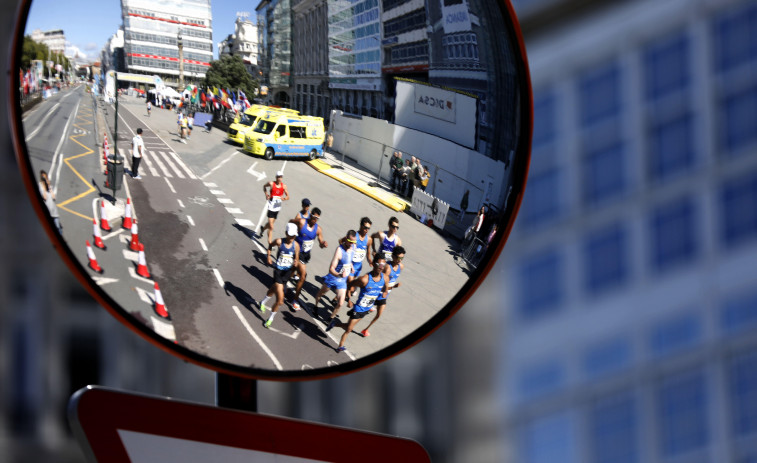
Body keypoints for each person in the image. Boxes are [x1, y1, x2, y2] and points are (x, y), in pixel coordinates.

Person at [326, 255, 389, 353]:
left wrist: (385, 292)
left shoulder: (385, 278)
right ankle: (340, 346)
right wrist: (349, 299)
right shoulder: (364, 279)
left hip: (367, 309)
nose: (381, 267)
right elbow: (349, 284)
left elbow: (386, 287)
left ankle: (334, 324)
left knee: (347, 326)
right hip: (358, 308)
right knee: (348, 330)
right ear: (373, 264)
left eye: (383, 265)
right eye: (379, 264)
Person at [259, 223, 301, 328]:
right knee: (280, 300)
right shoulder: (279, 242)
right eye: (290, 235)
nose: (292, 238)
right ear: (286, 233)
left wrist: (296, 262)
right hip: (278, 271)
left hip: (287, 274)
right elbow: (270, 245)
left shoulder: (296, 246)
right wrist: (268, 256)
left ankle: (262, 302)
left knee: (273, 289)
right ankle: (270, 319)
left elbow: (297, 258)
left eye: (294, 236)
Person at [358, 246, 405, 337]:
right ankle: (353, 319)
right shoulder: (388, 268)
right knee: (362, 312)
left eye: (402, 258)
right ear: (393, 256)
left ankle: (366, 329)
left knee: (379, 315)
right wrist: (394, 286)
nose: (400, 260)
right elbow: (383, 282)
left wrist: (391, 287)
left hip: (384, 295)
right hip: (377, 292)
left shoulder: (401, 267)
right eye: (398, 258)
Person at [290, 207, 328, 310]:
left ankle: (283, 281)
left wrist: (323, 244)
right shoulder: (302, 222)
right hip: (297, 252)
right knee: (303, 276)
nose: (315, 219)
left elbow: (320, 243)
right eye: (314, 217)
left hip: (306, 254)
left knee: (292, 271)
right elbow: (291, 222)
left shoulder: (318, 229)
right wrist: (291, 235)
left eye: (317, 218)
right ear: (310, 215)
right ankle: (295, 300)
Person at [313, 230, 356, 321]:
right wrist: (339, 274)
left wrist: (351, 266)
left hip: (342, 281)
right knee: (320, 294)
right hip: (333, 278)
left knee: (340, 303)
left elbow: (349, 260)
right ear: (347, 239)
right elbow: (331, 269)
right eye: (350, 242)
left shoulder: (353, 247)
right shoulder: (339, 250)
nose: (352, 244)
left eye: (354, 242)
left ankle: (330, 318)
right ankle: (316, 307)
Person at [260, 171, 290, 245]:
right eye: (278, 177)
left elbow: (288, 196)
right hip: (271, 207)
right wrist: (266, 194)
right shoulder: (271, 184)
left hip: (277, 209)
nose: (280, 178)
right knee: (271, 227)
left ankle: (263, 229)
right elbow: (264, 186)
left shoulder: (284, 186)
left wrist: (284, 198)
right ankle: (270, 244)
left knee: (270, 225)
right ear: (276, 177)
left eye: (281, 177)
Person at [346, 217, 372, 300]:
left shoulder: (369, 239)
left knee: (350, 285)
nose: (366, 230)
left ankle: (342, 296)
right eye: (365, 227)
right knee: (350, 282)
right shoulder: (354, 236)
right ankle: (342, 299)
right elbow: (342, 241)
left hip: (358, 266)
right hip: (350, 264)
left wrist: (370, 261)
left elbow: (368, 253)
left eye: (368, 228)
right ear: (361, 226)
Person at [39, 170, 62, 234]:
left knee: (58, 228)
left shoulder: (49, 186)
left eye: (46, 178)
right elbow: (45, 197)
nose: (45, 180)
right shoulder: (41, 186)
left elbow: (54, 198)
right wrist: (44, 187)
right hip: (48, 213)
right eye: (43, 178)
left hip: (54, 212)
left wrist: (49, 186)